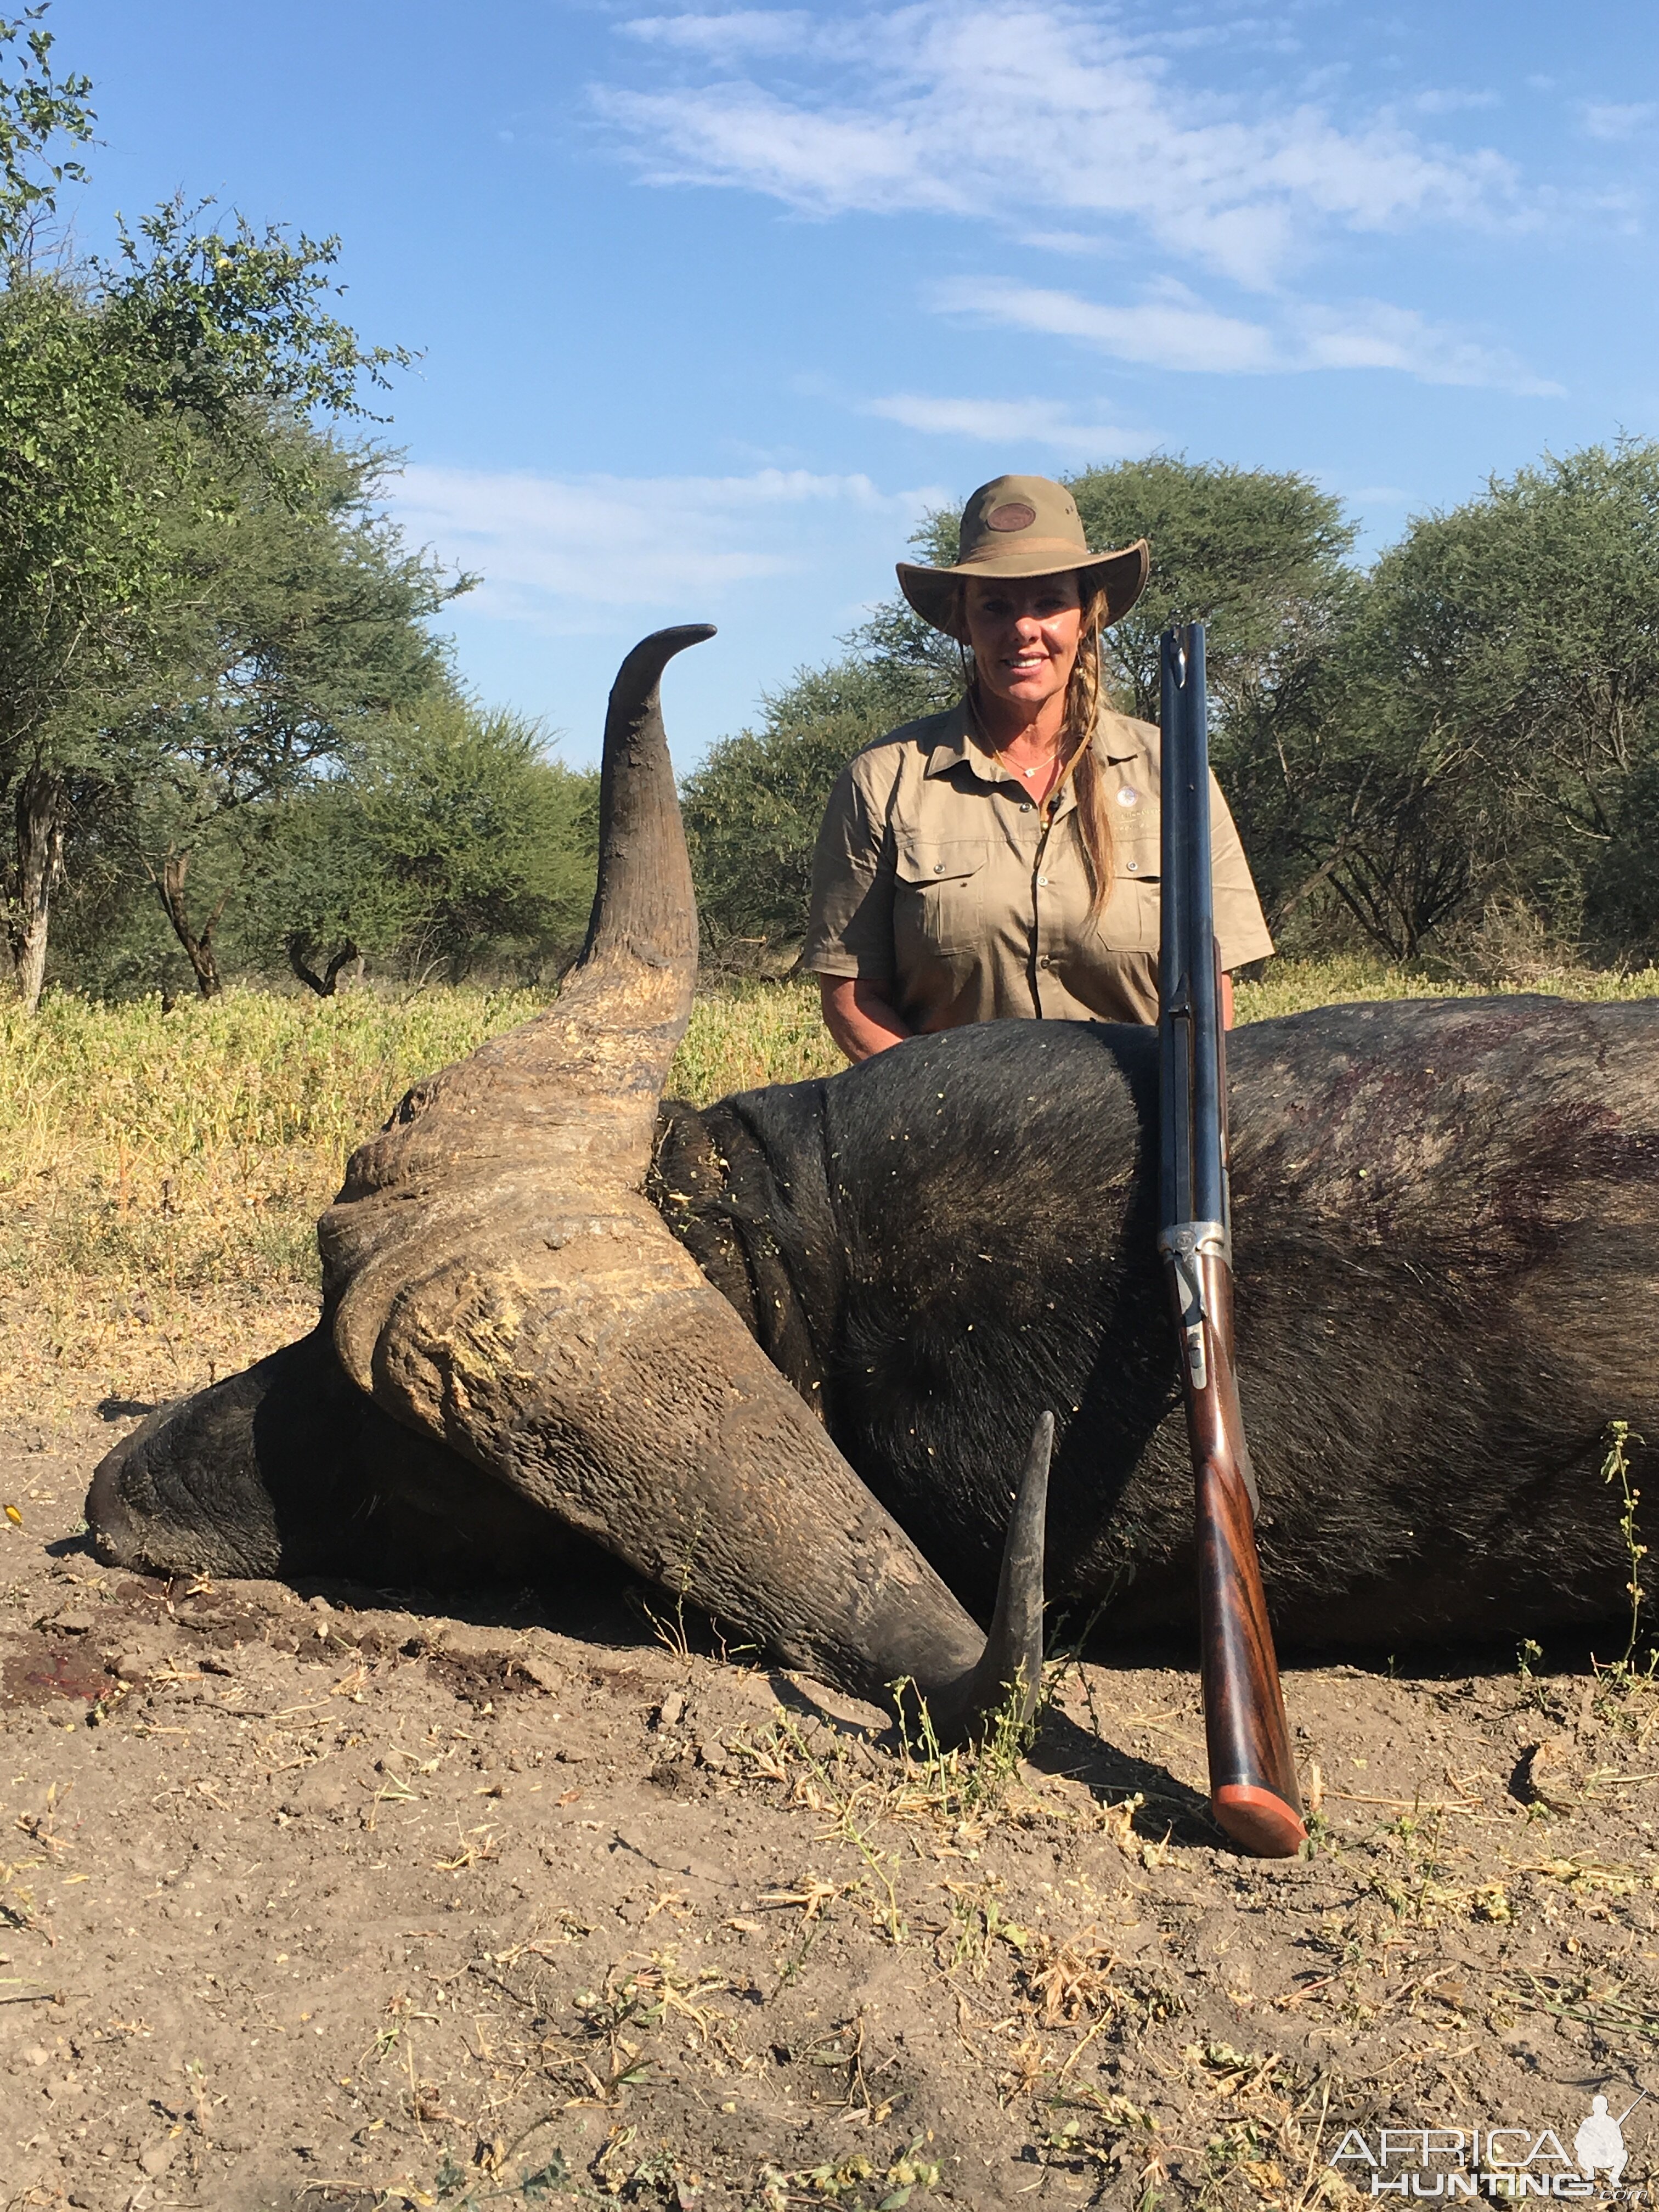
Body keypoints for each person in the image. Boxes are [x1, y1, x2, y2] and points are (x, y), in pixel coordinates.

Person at [803, 474, 1273, 1062]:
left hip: (1142, 1132)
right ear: (963, 622)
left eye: (1049, 601)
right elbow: (852, 999)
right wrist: (941, 1114)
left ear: (1087, 616)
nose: (1024, 629)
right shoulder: (883, 781)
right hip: (951, 1137)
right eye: (995, 606)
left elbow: (1211, 995)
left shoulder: (1170, 772)